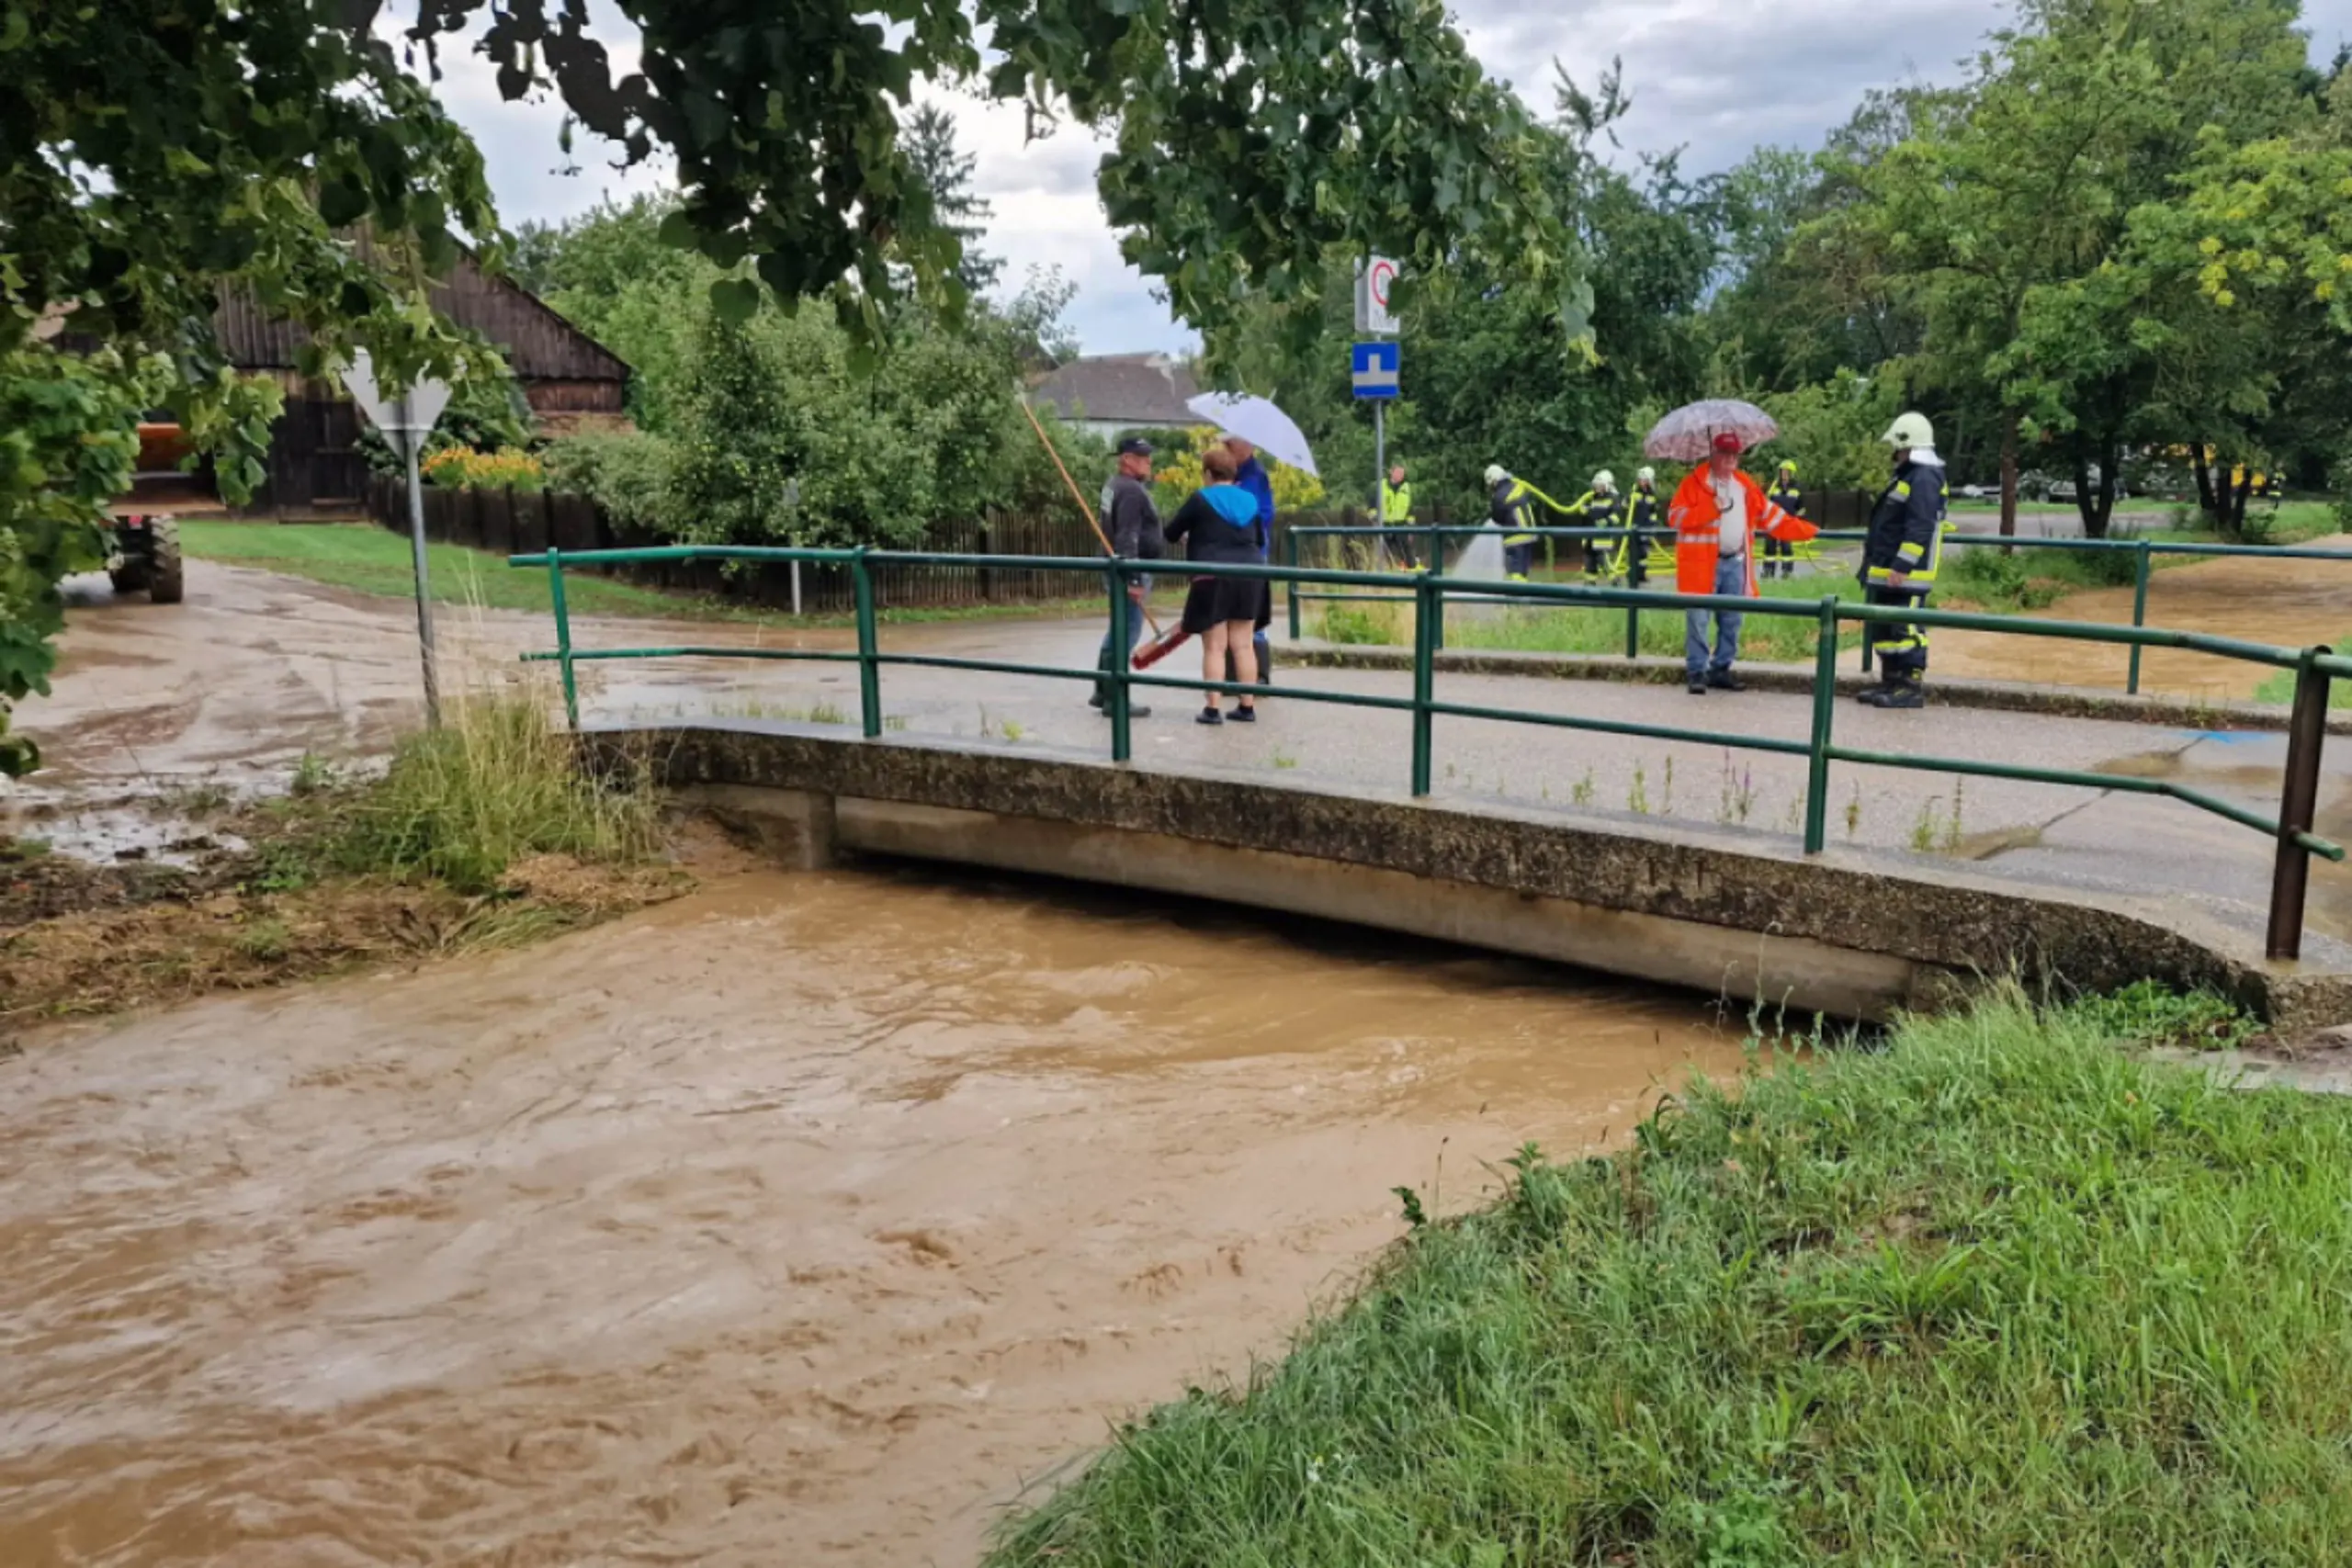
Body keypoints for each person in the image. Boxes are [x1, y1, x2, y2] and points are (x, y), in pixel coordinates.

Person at [1668, 434, 1818, 695]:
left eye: (1734, 454)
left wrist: (1808, 530)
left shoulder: (1744, 485)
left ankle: (1721, 668)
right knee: (1698, 620)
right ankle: (1696, 672)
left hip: (1734, 563)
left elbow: (1771, 516)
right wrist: (1708, 507)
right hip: (1700, 566)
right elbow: (1675, 517)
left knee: (1732, 619)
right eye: (1725, 454)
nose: (1730, 459)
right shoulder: (1693, 483)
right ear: (1712, 455)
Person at [1165, 445, 1270, 726]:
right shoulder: (1249, 500)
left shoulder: (1201, 499)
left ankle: (1212, 709)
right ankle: (1247, 706)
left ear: (1209, 474)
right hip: (1251, 574)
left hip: (1212, 574)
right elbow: (1258, 541)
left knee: (1214, 646)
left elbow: (1171, 532)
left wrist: (1193, 536)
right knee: (1244, 645)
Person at [1857, 412, 1949, 710]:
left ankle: (1910, 686)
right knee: (1886, 628)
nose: (1894, 453)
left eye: (1897, 447)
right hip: (1889, 570)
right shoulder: (1909, 473)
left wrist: (1902, 565)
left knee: (1905, 629)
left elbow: (1920, 526)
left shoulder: (1923, 476)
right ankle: (1892, 681)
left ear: (1908, 443)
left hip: (1908, 575)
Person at [1089, 436, 1163, 716]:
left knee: (1117, 630)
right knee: (1126, 632)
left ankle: (1102, 691)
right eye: (1143, 457)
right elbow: (1127, 536)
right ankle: (1115, 699)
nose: (1149, 462)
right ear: (1126, 460)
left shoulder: (1113, 485)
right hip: (1130, 568)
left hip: (1115, 565)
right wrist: (1133, 579)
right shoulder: (1131, 491)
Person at [1224, 434, 1276, 685]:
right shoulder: (1231, 472)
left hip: (1251, 551)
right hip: (1233, 552)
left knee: (1252, 616)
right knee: (1232, 614)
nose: (1226, 449)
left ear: (1245, 447)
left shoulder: (1255, 476)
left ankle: (1260, 675)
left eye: (1230, 445)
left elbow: (1262, 515)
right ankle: (1234, 673)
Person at [1487, 464, 1541, 581]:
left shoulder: (1499, 495)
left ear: (1494, 481)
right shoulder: (1517, 486)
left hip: (1514, 537)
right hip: (1530, 534)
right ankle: (1523, 593)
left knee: (1515, 571)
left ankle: (1518, 596)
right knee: (1523, 570)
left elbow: (1497, 517)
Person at [1764, 459, 1805, 581]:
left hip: (1787, 523)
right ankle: (1768, 571)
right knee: (1770, 548)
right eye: (1782, 472)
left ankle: (1787, 572)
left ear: (1792, 474)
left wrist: (1797, 520)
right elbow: (1766, 503)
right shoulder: (1773, 488)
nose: (1784, 475)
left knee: (1786, 548)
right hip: (1773, 523)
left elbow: (1802, 508)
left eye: (1787, 472)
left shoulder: (1797, 489)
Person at [1577, 470, 1623, 580]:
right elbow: (1593, 514)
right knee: (1589, 561)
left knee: (1604, 561)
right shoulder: (1593, 498)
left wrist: (1607, 521)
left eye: (1600, 485)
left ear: (1607, 485)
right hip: (1591, 536)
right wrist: (1585, 511)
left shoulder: (1613, 498)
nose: (1597, 487)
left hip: (1604, 537)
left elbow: (1616, 516)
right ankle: (1590, 584)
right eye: (1596, 485)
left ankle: (1615, 581)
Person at [1624, 467, 1663, 588]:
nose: (1642, 482)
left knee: (1644, 553)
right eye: (1640, 479)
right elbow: (1625, 505)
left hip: (1646, 528)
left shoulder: (1652, 494)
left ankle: (1641, 574)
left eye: (1645, 479)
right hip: (1634, 528)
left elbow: (1653, 512)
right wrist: (1629, 498)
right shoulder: (1634, 492)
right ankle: (1632, 574)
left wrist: (1653, 526)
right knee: (1633, 552)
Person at [1380, 461, 1416, 568]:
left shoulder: (1406, 488)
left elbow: (1410, 509)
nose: (1400, 476)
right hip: (1385, 524)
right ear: (1391, 472)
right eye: (1398, 473)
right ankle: (1388, 569)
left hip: (1401, 524)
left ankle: (1410, 568)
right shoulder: (1382, 486)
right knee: (1386, 551)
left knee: (1406, 550)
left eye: (1402, 473)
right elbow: (1373, 503)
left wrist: (1411, 528)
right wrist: (1374, 515)